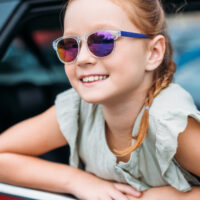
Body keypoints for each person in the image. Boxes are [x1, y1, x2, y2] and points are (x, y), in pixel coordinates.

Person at [0, 0, 200, 199]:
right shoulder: (78, 109)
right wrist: (74, 180)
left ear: (153, 52)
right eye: (70, 45)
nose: (82, 58)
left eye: (103, 41)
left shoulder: (170, 123)